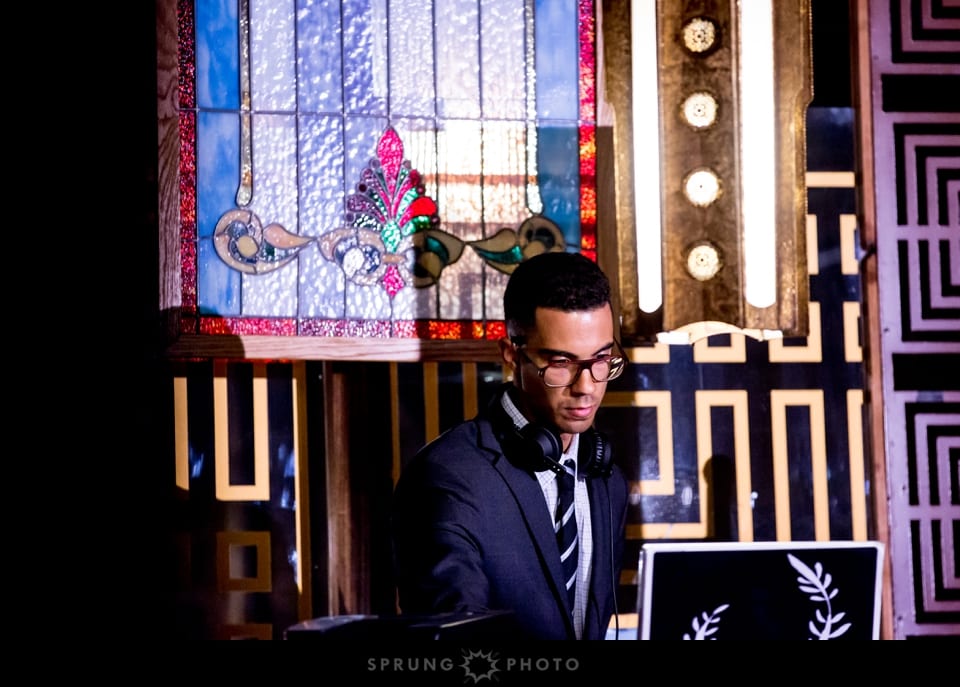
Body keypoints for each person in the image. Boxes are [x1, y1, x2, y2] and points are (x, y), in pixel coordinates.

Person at [391, 250, 629, 640]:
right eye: (561, 363)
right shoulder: (447, 479)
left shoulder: (606, 479)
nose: (586, 386)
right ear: (511, 355)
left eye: (601, 359)